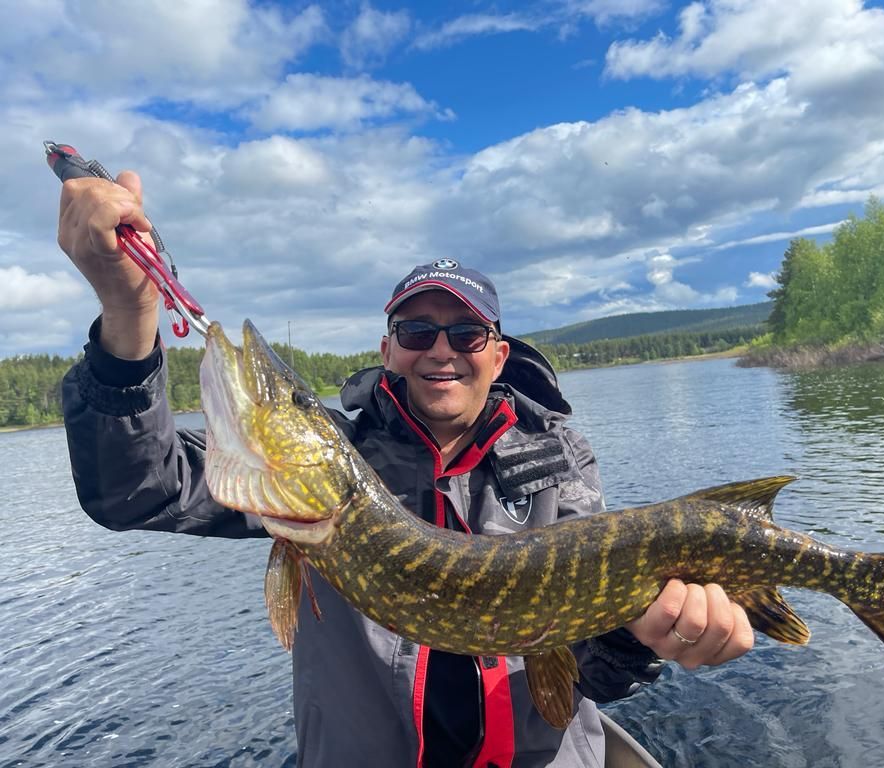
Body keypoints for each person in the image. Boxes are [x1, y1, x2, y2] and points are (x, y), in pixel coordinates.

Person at [57, 172, 755, 767]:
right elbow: (133, 489)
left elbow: (583, 668)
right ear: (388, 350)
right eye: (417, 332)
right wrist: (128, 310)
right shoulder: (330, 467)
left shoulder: (558, 461)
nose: (440, 350)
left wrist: (644, 639)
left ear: (498, 355)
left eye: (466, 333)